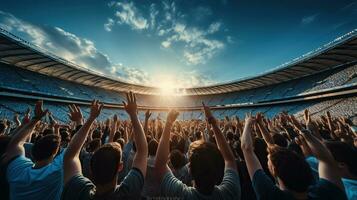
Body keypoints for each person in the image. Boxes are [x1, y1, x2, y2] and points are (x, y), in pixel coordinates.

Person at [62, 92, 148, 200]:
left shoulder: (79, 190)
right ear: (120, 167)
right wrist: (134, 115)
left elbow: (70, 155)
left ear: (92, 169)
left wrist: (90, 119)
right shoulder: (128, 192)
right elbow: (143, 151)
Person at [241, 113, 347, 200]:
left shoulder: (271, 196)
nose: (268, 156)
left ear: (273, 170)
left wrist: (247, 123)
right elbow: (326, 159)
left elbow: (246, 148)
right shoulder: (327, 192)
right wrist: (304, 131)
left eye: (269, 158)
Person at [154, 103, 241, 199]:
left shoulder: (182, 195)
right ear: (220, 170)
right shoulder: (230, 192)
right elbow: (229, 159)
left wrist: (168, 123)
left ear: (190, 171)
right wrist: (212, 121)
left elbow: (160, 165)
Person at [3, 101, 66, 200]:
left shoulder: (18, 168)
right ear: (54, 154)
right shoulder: (56, 172)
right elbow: (72, 152)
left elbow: (15, 143)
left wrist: (36, 119)